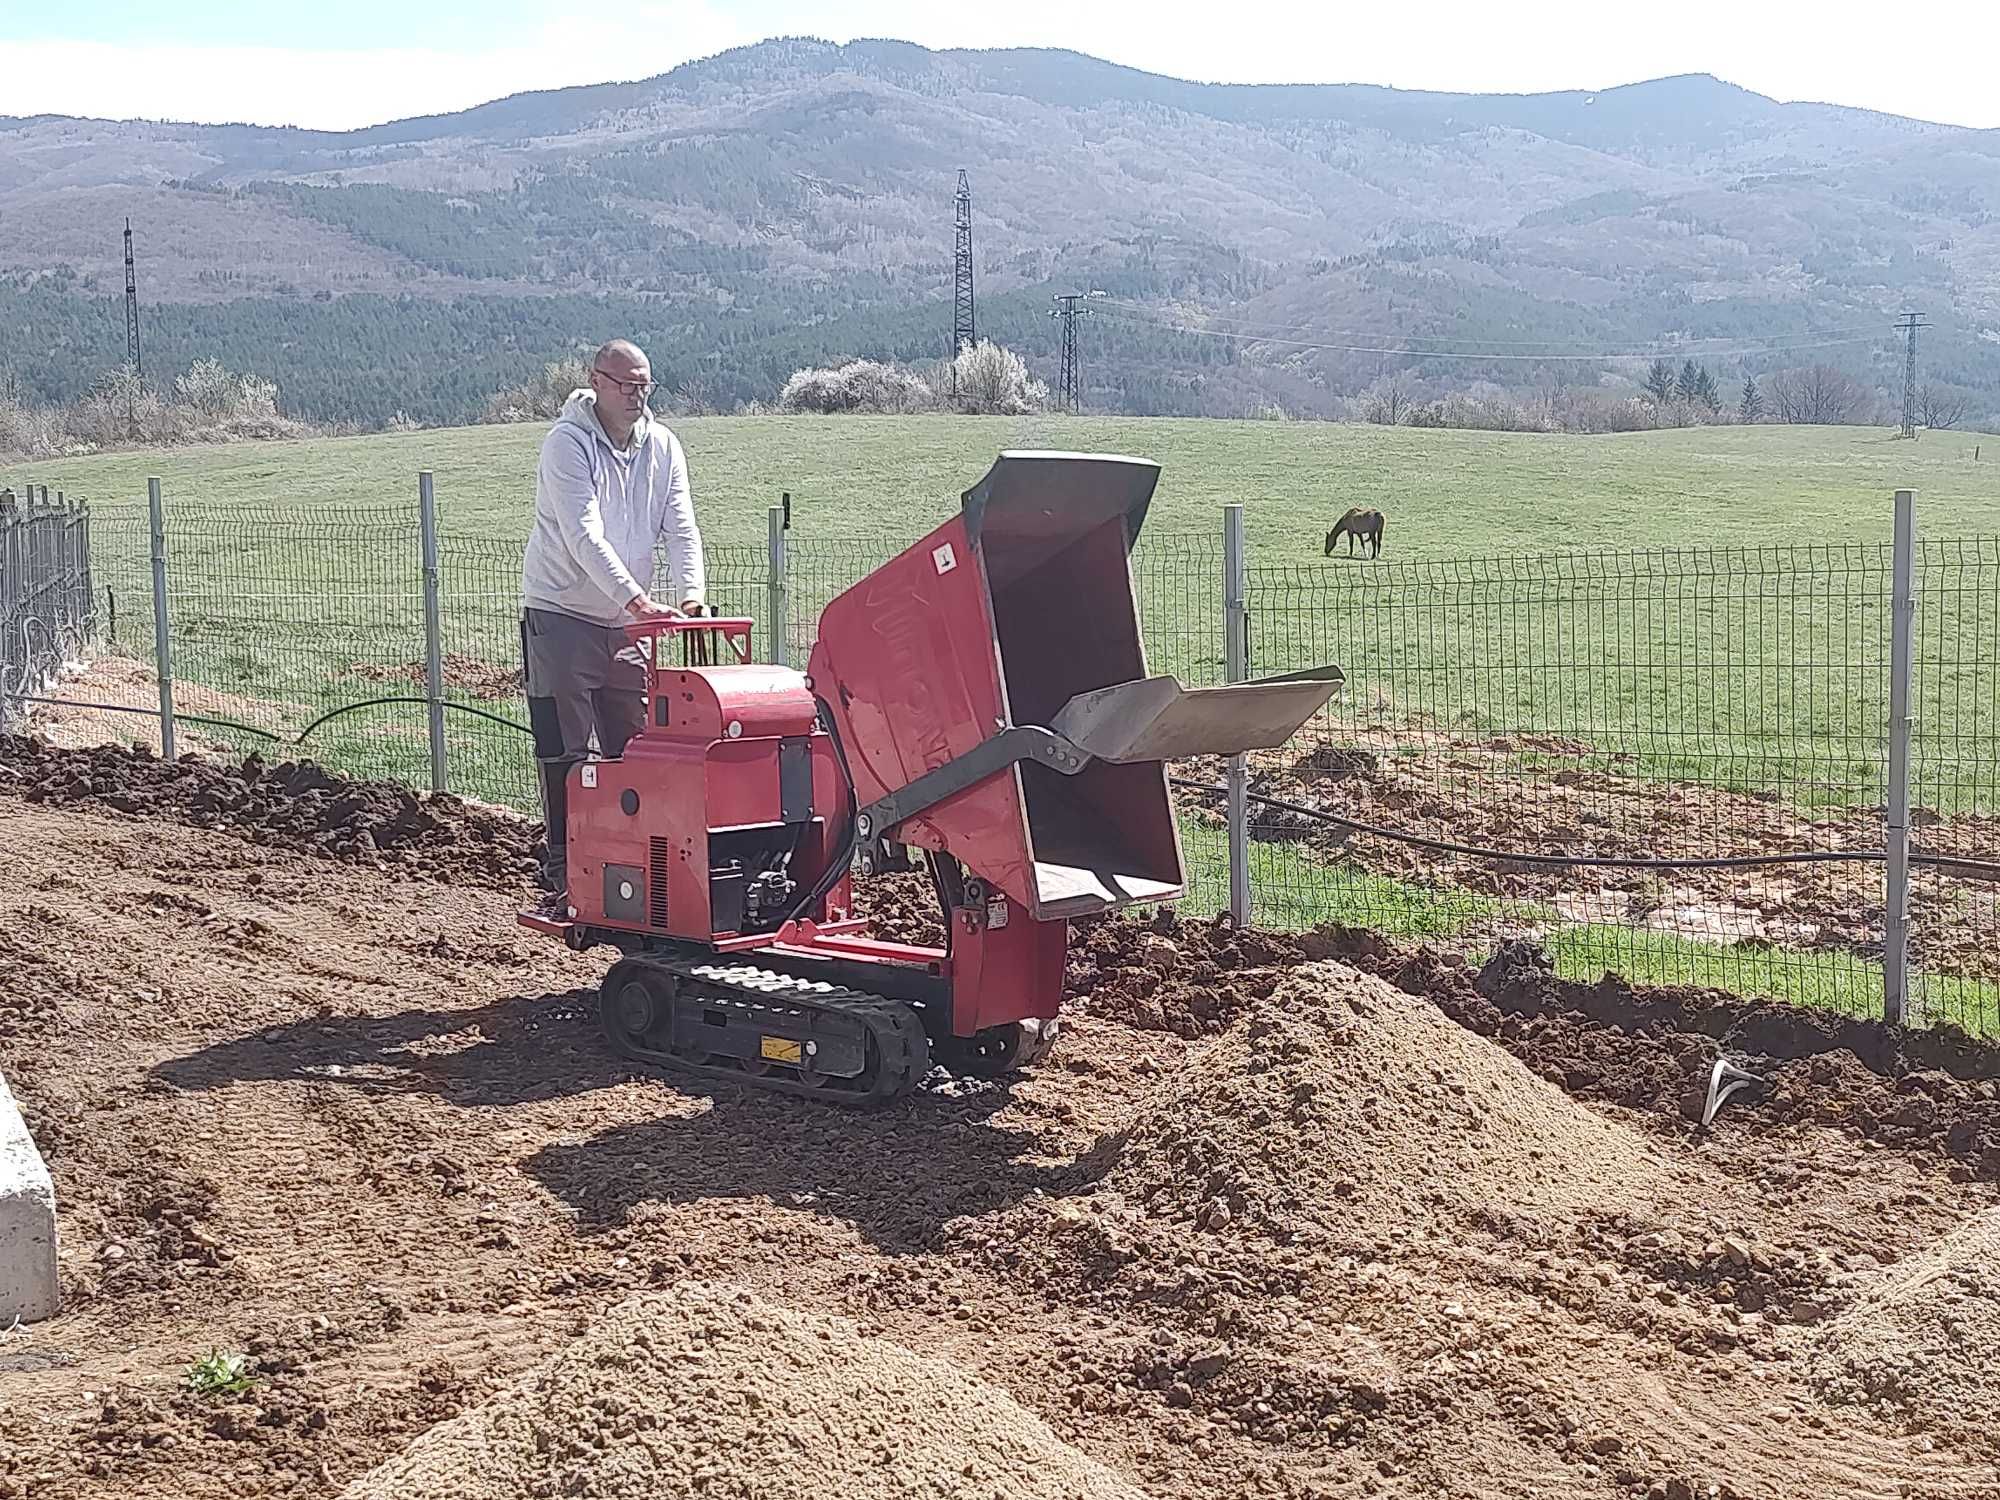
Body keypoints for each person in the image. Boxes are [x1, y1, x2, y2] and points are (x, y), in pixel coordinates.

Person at [519, 338, 704, 914]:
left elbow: (680, 526)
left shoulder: (664, 446)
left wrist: (692, 595)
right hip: (563, 615)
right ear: (596, 381)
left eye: (644, 384)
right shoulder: (567, 445)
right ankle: (563, 869)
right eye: (625, 384)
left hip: (627, 627)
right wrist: (636, 600)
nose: (636, 394)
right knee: (566, 754)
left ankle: (634, 871)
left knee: (636, 751)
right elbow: (583, 535)